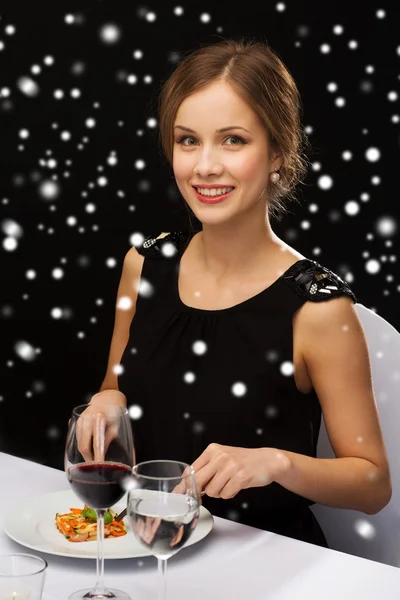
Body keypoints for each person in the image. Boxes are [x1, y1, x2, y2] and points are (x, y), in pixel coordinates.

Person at [78, 37, 392, 548]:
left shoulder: (318, 306)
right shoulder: (143, 264)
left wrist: (274, 462)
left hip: (263, 559)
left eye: (232, 140)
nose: (204, 166)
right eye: (187, 140)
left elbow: (373, 484)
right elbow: (116, 382)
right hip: (149, 545)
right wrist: (107, 399)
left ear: (278, 152)